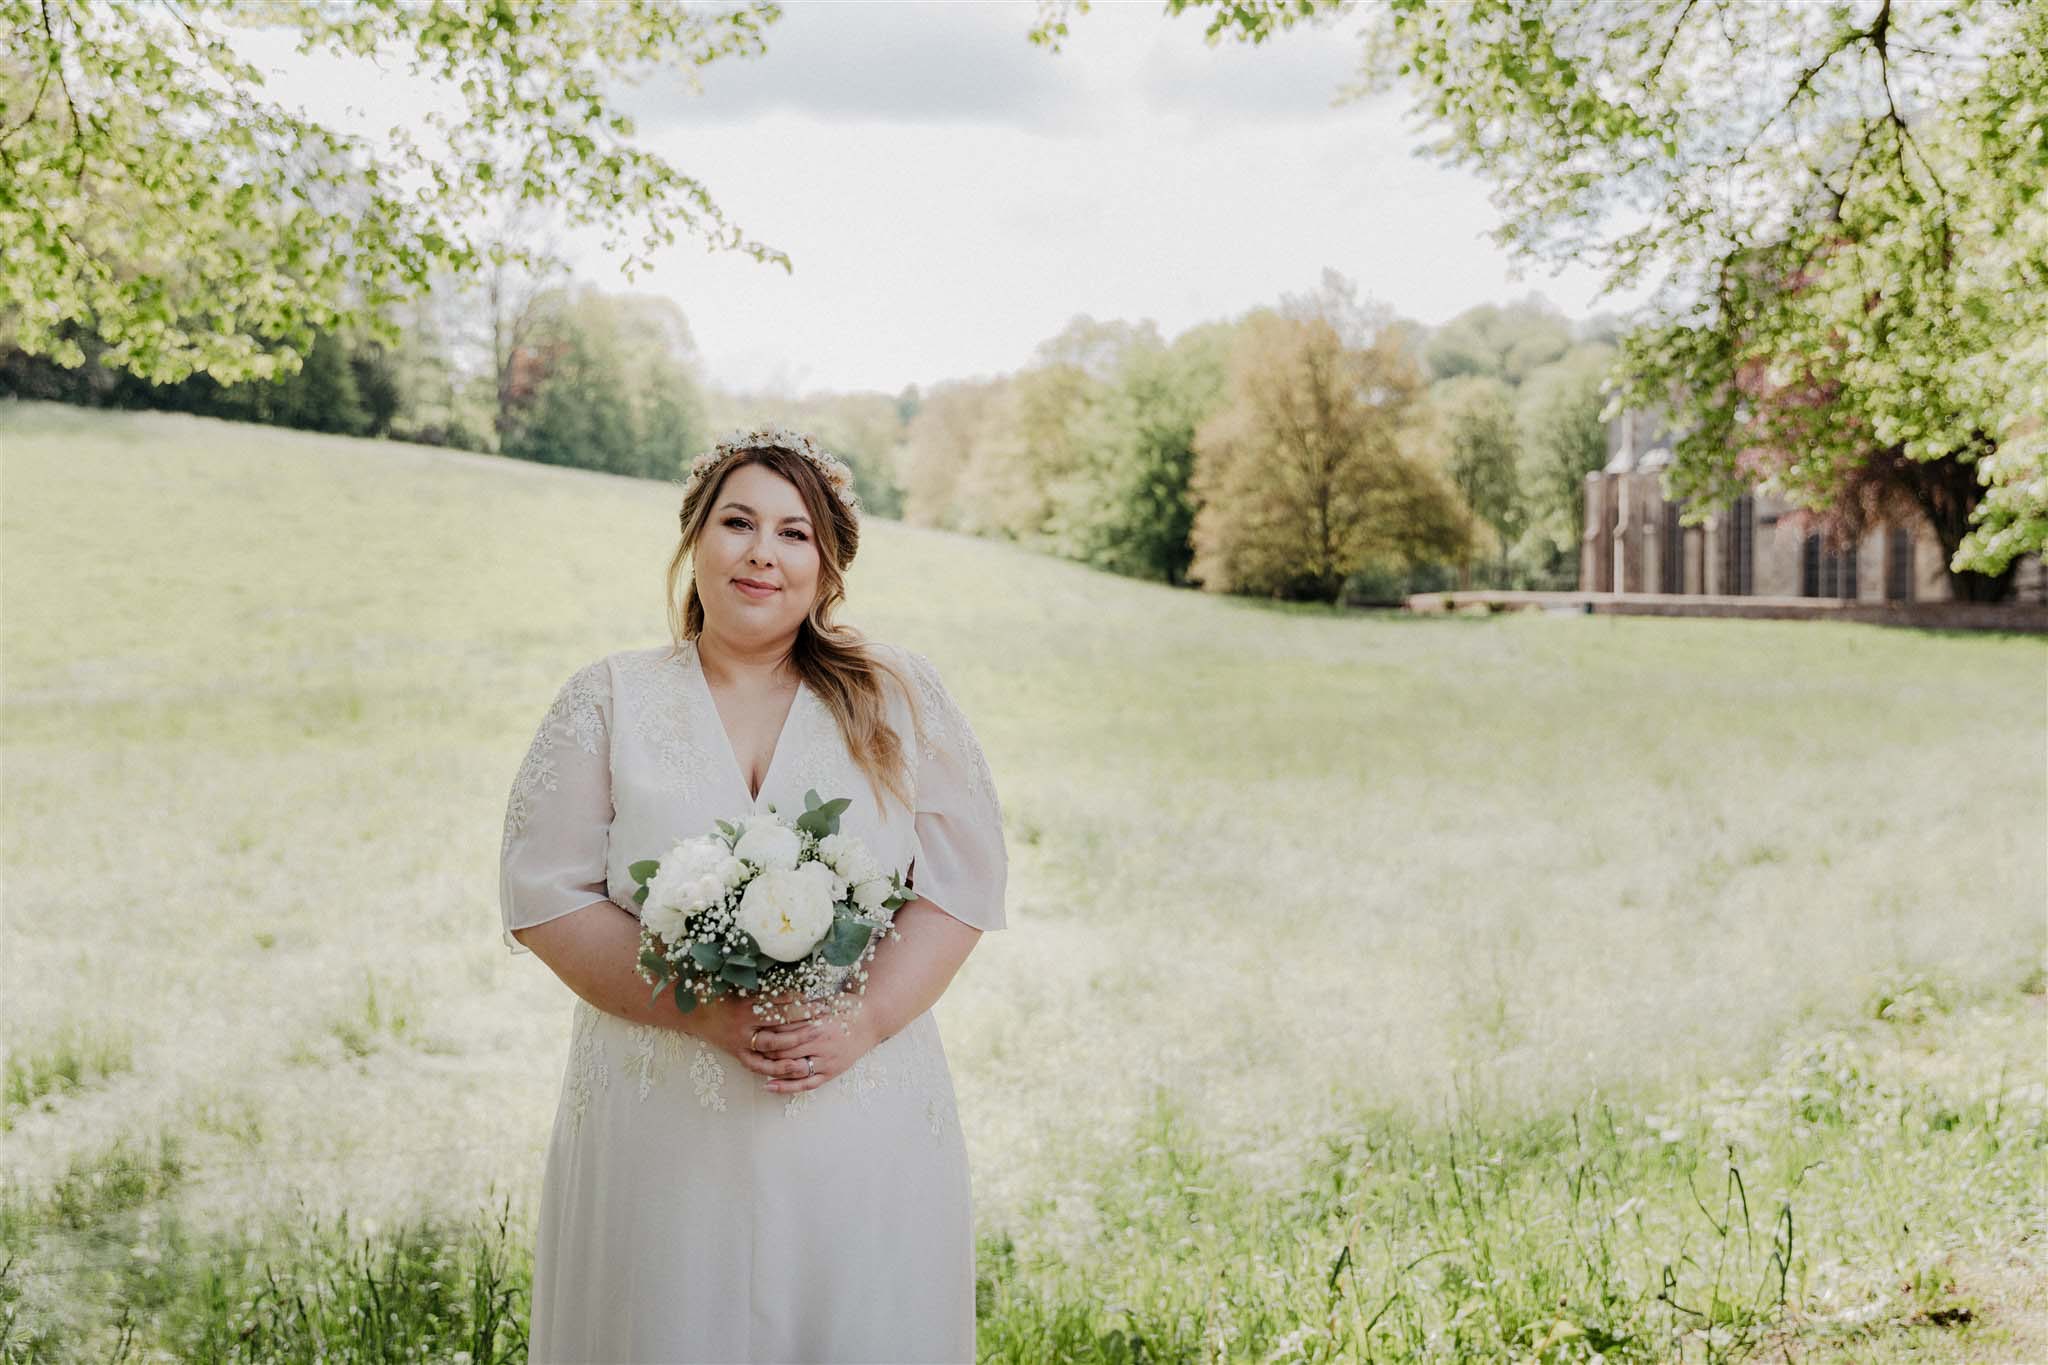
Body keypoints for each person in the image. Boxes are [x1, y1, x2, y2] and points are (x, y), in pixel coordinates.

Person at [498, 425, 1008, 1364]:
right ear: (696, 536)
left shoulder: (896, 696)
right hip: (663, 1118)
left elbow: (961, 884)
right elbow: (546, 897)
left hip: (860, 1102)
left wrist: (866, 1019)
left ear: (829, 564)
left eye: (793, 532)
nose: (761, 553)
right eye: (737, 522)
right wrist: (699, 1014)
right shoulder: (609, 700)